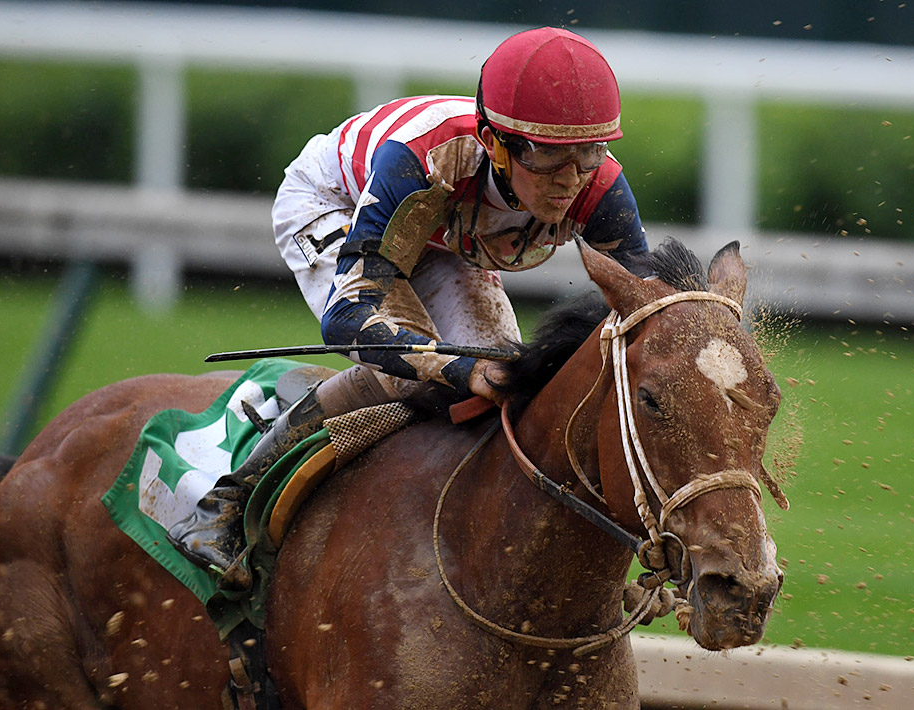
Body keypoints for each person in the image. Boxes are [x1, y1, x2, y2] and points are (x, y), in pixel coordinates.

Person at [168, 26, 649, 581]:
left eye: (589, 152)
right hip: (337, 205)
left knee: (500, 384)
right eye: (547, 156)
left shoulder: (599, 184)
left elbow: (645, 312)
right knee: (417, 376)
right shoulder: (421, 161)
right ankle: (228, 502)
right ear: (494, 143)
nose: (570, 181)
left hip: (440, 235)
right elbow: (349, 319)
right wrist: (458, 368)